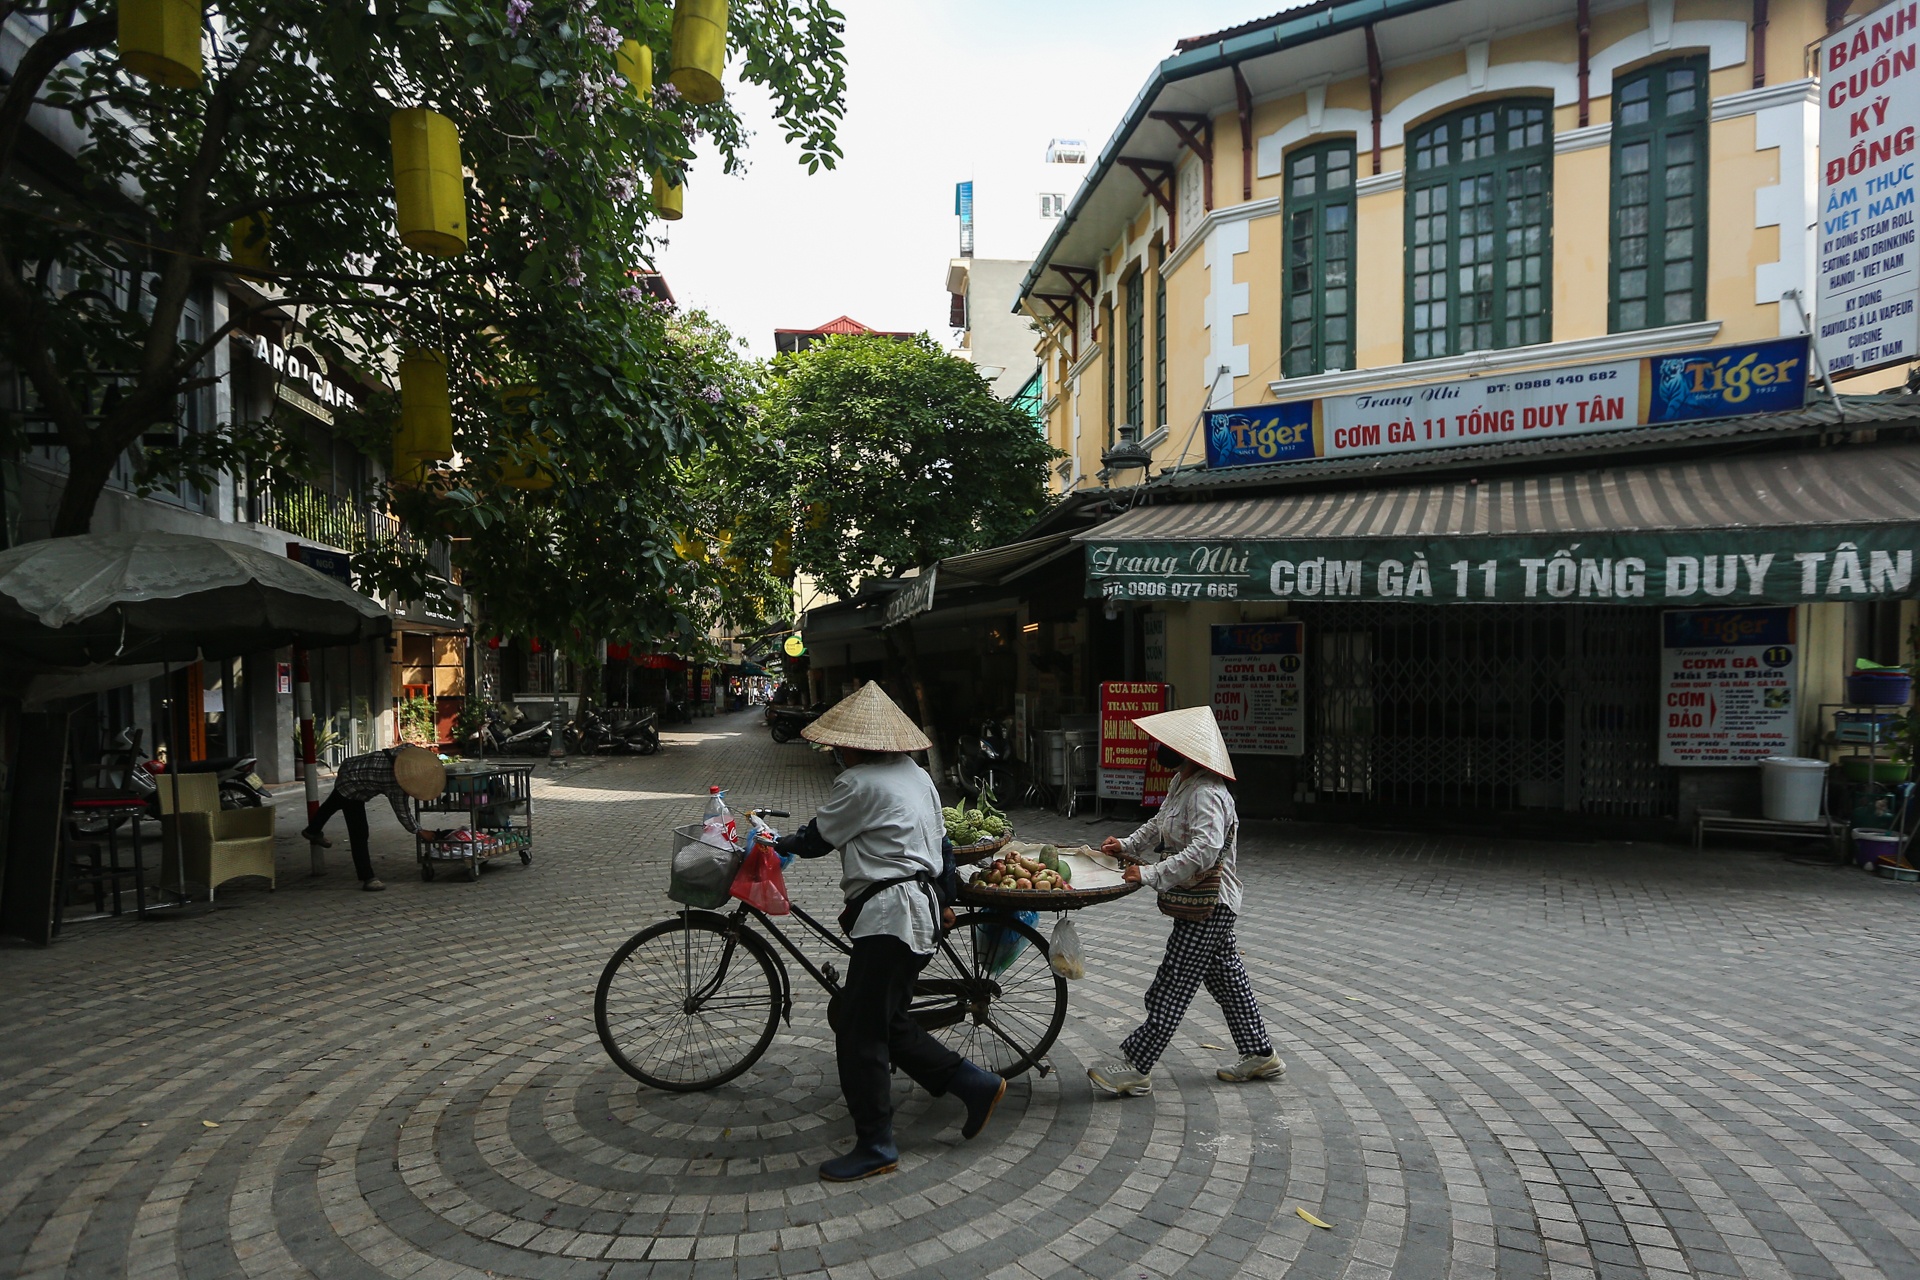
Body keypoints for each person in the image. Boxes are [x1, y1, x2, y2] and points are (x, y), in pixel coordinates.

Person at [775, 682, 1008, 1182]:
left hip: (890, 917)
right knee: (876, 1016)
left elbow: (817, 839)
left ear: (857, 745)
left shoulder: (858, 784)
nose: (835, 752)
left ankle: (876, 1143)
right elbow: (943, 843)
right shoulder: (915, 774)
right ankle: (973, 1084)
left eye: (839, 744)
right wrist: (947, 897)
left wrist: (775, 845)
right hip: (917, 910)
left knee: (861, 1030)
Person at [1088, 706, 1282, 1097]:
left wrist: (1148, 875)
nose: (1159, 748)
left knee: (1173, 983)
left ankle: (1136, 1067)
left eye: (1166, 743)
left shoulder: (1208, 793)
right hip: (1204, 902)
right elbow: (1158, 823)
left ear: (1189, 750)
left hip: (1211, 905)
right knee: (1227, 979)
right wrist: (1125, 846)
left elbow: (1204, 852)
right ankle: (1260, 1054)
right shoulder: (1183, 783)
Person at [300, 745, 445, 891]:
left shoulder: (405, 752)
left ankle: (312, 830)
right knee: (359, 832)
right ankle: (368, 877)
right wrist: (419, 831)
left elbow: (410, 747)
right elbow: (403, 813)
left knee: (332, 805)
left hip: (351, 766)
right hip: (352, 784)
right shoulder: (396, 783)